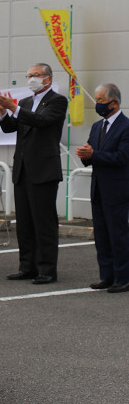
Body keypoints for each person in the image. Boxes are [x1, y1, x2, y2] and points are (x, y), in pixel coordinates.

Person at [0, 63, 67, 284]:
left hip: (43, 169)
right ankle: (27, 266)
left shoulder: (57, 100)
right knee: (24, 222)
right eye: (29, 75)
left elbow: (42, 121)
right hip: (23, 169)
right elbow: (10, 128)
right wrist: (4, 112)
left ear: (48, 79)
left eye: (36, 75)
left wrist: (14, 108)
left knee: (43, 221)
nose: (31, 79)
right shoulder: (25, 102)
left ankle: (47, 269)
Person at [76, 83, 129, 293]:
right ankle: (106, 275)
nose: (97, 105)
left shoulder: (125, 127)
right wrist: (86, 155)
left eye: (100, 101)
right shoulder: (98, 126)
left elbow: (122, 157)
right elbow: (92, 153)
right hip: (98, 188)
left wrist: (94, 155)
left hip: (117, 189)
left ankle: (123, 277)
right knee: (102, 234)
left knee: (118, 234)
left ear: (113, 102)